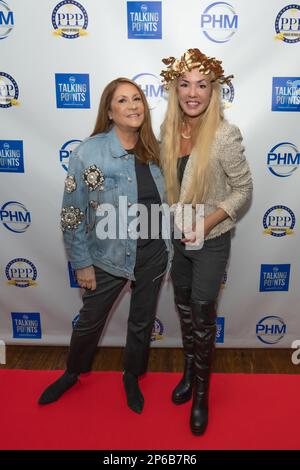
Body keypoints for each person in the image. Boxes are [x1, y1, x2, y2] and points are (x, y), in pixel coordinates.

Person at [38, 77, 172, 414]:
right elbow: (72, 213)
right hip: (106, 257)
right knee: (89, 320)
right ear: (109, 112)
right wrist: (81, 263)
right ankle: (72, 372)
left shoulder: (155, 149)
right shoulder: (89, 151)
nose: (133, 106)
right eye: (123, 101)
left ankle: (132, 375)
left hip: (153, 254)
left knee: (142, 320)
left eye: (137, 99)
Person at [160, 48, 253, 434]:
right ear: (175, 89)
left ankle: (201, 394)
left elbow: (243, 189)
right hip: (180, 240)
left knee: (201, 316)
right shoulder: (169, 131)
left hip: (211, 240)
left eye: (201, 84)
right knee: (183, 310)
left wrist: (208, 221)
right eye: (185, 84)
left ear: (213, 90)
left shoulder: (225, 135)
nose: (192, 93)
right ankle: (187, 373)